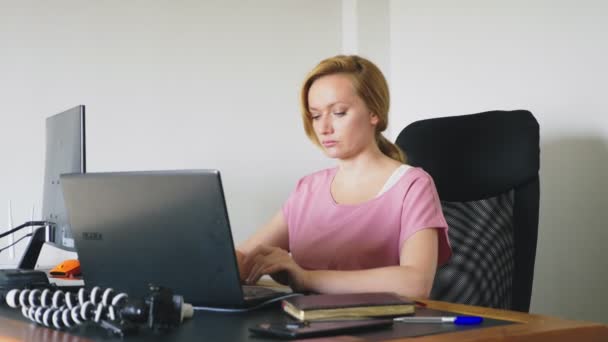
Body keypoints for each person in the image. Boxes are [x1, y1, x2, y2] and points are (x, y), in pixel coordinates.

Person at [237, 55, 451, 299]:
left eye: (338, 112)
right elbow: (245, 258)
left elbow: (415, 283)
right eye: (316, 115)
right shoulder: (309, 188)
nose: (324, 128)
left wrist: (306, 277)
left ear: (374, 112)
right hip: (304, 327)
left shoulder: (412, 185)